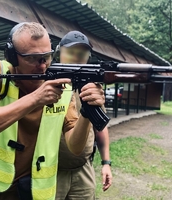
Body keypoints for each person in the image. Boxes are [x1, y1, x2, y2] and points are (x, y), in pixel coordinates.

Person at [0, 22, 105, 200]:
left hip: (28, 191)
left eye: (46, 57)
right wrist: (36, 98)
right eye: (32, 58)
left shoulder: (61, 84)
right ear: (13, 56)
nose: (42, 66)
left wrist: (87, 113)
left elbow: (75, 146)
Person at [54, 31, 112, 200]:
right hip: (51, 170)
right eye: (71, 52)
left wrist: (106, 163)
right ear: (59, 53)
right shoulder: (47, 85)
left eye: (82, 54)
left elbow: (100, 126)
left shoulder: (91, 88)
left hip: (83, 170)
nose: (76, 57)